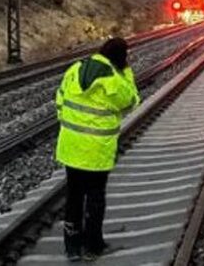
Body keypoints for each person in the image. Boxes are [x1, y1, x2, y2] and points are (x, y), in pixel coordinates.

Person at [54, 37, 140, 260]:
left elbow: (60, 101)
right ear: (121, 57)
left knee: (73, 197)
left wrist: (71, 125)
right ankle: (94, 246)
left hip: (71, 147)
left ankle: (72, 248)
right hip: (97, 151)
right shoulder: (113, 79)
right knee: (95, 197)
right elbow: (131, 100)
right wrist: (127, 72)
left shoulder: (75, 68)